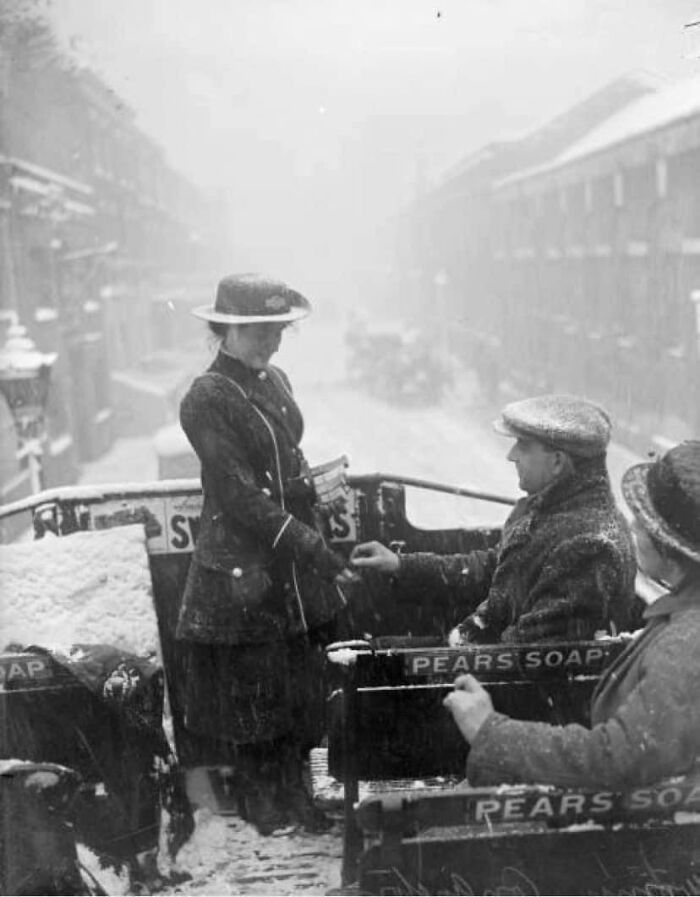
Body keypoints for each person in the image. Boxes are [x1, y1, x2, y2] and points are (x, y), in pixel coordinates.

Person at [175, 273, 356, 834]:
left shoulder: (274, 379)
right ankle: (262, 802)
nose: (271, 341)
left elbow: (283, 467)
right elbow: (237, 493)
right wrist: (308, 544)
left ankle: (296, 794)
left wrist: (312, 487)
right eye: (258, 330)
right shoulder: (206, 399)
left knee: (300, 682)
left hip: (290, 561)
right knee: (257, 690)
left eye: (277, 329)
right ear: (225, 328)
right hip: (245, 568)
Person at [443, 440, 700, 789]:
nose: (633, 527)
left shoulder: (687, 639)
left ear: (670, 543)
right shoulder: (682, 615)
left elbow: (622, 758)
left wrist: (491, 732)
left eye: (644, 519)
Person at [350, 394, 636, 643]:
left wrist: (450, 654)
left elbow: (532, 655)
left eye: (523, 445)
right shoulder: (551, 513)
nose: (511, 456)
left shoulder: (587, 546)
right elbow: (493, 569)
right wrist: (401, 565)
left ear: (558, 461)